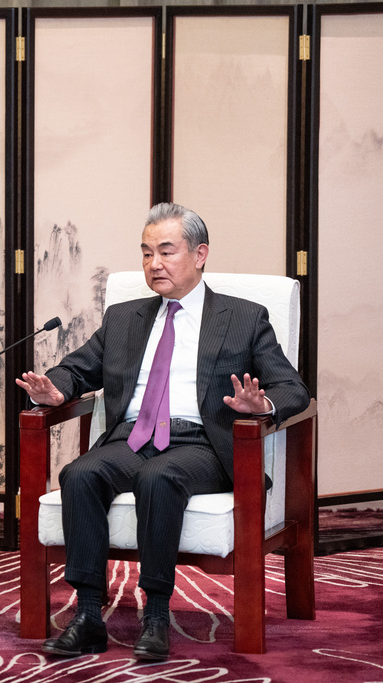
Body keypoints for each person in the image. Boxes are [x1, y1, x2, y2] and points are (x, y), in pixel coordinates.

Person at [16, 202, 309, 661]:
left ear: (200, 254)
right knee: (80, 475)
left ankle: (155, 614)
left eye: (167, 252)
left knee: (160, 477)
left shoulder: (243, 318)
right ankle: (89, 616)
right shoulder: (125, 317)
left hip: (202, 444)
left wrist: (263, 405)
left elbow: (293, 387)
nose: (155, 264)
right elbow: (76, 370)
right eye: (147, 253)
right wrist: (54, 391)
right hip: (132, 438)